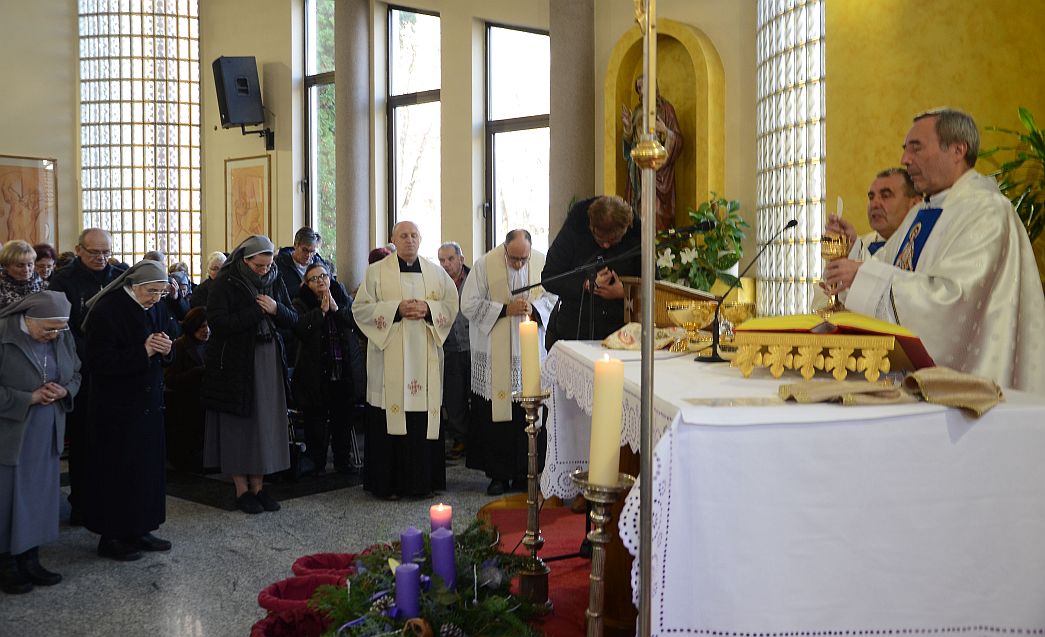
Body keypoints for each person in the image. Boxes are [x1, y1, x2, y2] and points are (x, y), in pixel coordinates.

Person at [824, 108, 1045, 393]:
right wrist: (853, 249)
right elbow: (887, 266)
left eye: (916, 148)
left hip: (968, 391)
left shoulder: (987, 211)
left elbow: (953, 301)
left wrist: (863, 275)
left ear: (957, 150)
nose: (905, 159)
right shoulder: (926, 211)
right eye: (905, 150)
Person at [352, 221, 458, 500]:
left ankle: (423, 483)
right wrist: (394, 310)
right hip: (390, 356)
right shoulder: (376, 273)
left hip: (425, 356)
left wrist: (430, 309)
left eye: (413, 235)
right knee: (389, 415)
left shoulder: (436, 273)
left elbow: (451, 304)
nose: (409, 240)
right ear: (393, 240)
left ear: (420, 239)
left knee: (422, 420)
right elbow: (360, 309)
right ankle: (388, 485)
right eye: (403, 235)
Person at [81, 260, 177, 561]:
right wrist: (144, 351)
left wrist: (167, 349)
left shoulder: (157, 305)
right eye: (151, 291)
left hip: (149, 403)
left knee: (146, 469)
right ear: (133, 286)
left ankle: (141, 528)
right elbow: (98, 361)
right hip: (116, 406)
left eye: (162, 293)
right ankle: (111, 536)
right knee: (117, 471)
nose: (156, 299)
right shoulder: (107, 310)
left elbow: (169, 336)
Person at [201, 236, 298, 514]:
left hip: (269, 359)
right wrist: (257, 311)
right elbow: (219, 324)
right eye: (259, 265)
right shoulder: (225, 282)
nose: (264, 270)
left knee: (265, 424)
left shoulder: (276, 278)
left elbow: (293, 319)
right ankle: (241, 489)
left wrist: (276, 309)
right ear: (245, 260)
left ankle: (259, 487)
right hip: (235, 361)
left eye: (268, 265)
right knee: (239, 425)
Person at [462, 229, 556, 495]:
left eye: (523, 259)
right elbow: (467, 304)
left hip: (531, 353)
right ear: (504, 249)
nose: (518, 264)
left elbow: (554, 297)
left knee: (529, 413)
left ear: (530, 251)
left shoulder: (543, 263)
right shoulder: (485, 265)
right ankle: (499, 476)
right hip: (495, 354)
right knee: (498, 417)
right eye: (513, 258)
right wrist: (504, 309)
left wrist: (535, 309)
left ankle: (529, 474)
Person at [0, 292, 81, 594]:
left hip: (47, 428)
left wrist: (64, 391)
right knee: (8, 497)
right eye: (48, 329)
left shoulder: (61, 334)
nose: (54, 335)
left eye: (60, 329)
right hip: (11, 431)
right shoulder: (4, 335)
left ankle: (30, 556)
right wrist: (28, 398)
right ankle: (6, 562)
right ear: (27, 319)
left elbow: (76, 373)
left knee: (38, 495)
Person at [47, 229, 124, 525]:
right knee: (84, 441)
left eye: (106, 252)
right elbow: (62, 330)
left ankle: (110, 499)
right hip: (82, 372)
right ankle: (80, 501)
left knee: (113, 440)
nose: (101, 258)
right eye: (94, 252)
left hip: (115, 371)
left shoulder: (119, 276)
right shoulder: (63, 281)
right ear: (79, 250)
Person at [542, 195, 641, 350]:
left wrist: (625, 292)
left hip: (622, 334)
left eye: (614, 240)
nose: (607, 245)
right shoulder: (576, 224)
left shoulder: (636, 233)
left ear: (626, 229)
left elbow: (654, 283)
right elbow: (549, 277)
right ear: (591, 226)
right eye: (601, 239)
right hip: (576, 330)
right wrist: (586, 285)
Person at [292, 262, 363, 475]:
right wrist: (321, 312)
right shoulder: (300, 302)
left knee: (343, 419)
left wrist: (335, 309)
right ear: (307, 283)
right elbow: (300, 328)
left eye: (324, 276)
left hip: (343, 370)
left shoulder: (341, 298)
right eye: (314, 278)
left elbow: (355, 323)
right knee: (316, 423)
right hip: (315, 374)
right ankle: (317, 463)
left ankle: (343, 461)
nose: (321, 281)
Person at [621, 75, 684, 231]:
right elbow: (631, 144)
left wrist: (665, 131)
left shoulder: (666, 109)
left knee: (656, 214)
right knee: (638, 212)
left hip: (659, 170)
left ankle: (660, 251)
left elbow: (678, 139)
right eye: (639, 88)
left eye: (644, 86)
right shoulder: (637, 111)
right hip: (638, 170)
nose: (642, 91)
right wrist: (628, 128)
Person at [827, 168, 921, 261]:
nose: (874, 204)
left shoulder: (924, 246)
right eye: (871, 197)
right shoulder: (860, 245)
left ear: (915, 204)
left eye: (886, 196)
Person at [275, 227, 330, 364]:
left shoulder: (319, 264)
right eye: (305, 250)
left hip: (317, 323)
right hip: (292, 323)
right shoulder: (280, 265)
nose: (308, 255)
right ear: (295, 245)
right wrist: (302, 288)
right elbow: (279, 295)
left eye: (312, 251)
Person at [164, 307, 209, 472]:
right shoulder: (180, 346)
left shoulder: (211, 345)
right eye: (202, 326)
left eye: (208, 326)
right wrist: (196, 373)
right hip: (186, 403)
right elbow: (170, 379)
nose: (206, 331)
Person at [437, 241, 470, 459]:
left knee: (476, 396)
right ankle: (460, 438)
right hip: (449, 346)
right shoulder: (438, 284)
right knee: (454, 396)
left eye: (450, 259)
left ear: (461, 259)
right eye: (442, 260)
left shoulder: (474, 279)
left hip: (474, 345)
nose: (446, 264)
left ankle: (477, 439)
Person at [0, 240, 47, 309]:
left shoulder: (44, 286)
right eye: (20, 265)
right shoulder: (1, 287)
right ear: (6, 266)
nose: (26, 270)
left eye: (30, 264)